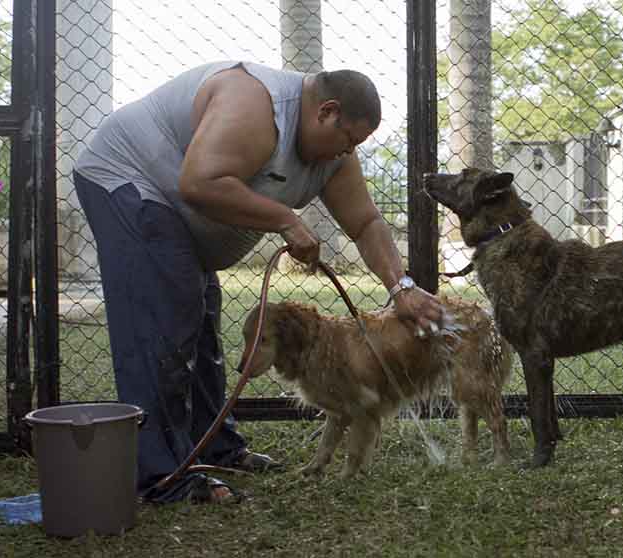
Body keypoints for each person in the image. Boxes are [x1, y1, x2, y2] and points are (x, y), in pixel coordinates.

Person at [73, 61, 445, 504]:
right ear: (326, 111)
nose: (348, 153)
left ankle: (217, 449)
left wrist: (400, 286)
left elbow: (365, 222)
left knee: (198, 315)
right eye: (348, 140)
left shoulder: (335, 156)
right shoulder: (256, 105)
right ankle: (162, 478)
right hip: (127, 177)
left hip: (172, 206)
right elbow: (200, 181)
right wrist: (285, 218)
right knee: (163, 322)